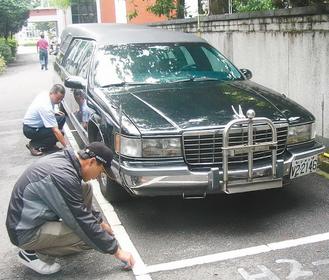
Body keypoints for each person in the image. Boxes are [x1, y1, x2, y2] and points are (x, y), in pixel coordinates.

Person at [6, 142, 135, 275]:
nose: (97, 177)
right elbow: (80, 221)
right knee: (87, 238)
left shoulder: (67, 160)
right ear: (91, 162)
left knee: (85, 188)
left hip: (33, 218)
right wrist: (117, 251)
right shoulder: (62, 176)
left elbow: (79, 204)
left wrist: (99, 222)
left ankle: (51, 244)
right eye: (101, 171)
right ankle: (33, 254)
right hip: (26, 232)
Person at [23, 84, 68, 156]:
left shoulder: (45, 94)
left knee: (62, 117)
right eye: (58, 98)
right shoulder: (45, 107)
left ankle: (50, 145)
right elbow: (56, 131)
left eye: (61, 99)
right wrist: (67, 147)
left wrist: (54, 112)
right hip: (31, 129)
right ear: (51, 93)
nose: (59, 101)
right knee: (59, 133)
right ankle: (34, 145)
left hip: (37, 124)